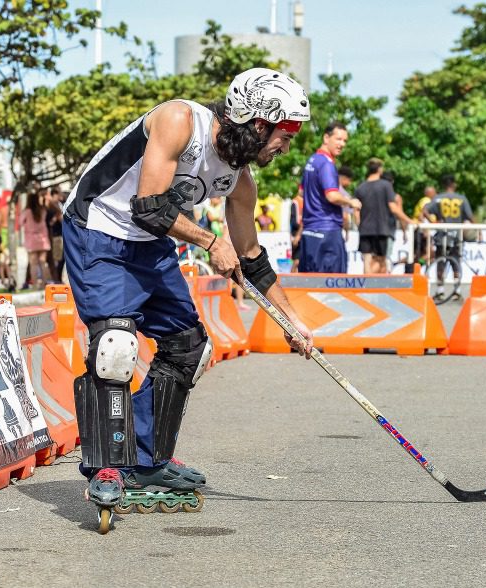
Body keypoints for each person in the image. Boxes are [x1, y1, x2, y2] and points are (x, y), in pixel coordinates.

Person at [61, 67, 314, 521]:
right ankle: (106, 465)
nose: (286, 146)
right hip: (97, 229)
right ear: (259, 123)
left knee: (189, 348)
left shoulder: (238, 178)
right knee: (115, 347)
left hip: (149, 242)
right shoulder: (180, 120)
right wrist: (210, 241)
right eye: (286, 134)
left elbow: (252, 257)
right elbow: (148, 206)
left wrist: (292, 321)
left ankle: (144, 456)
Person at [300, 122, 362, 273]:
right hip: (328, 232)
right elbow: (332, 196)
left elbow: (301, 192)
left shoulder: (312, 160)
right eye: (338, 139)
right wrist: (351, 201)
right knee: (333, 288)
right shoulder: (327, 164)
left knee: (309, 286)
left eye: (345, 141)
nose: (342, 144)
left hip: (309, 231)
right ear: (326, 138)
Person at [355, 159, 412, 274]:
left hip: (365, 229)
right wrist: (408, 220)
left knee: (367, 260)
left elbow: (356, 210)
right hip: (381, 228)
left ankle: (366, 286)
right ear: (380, 169)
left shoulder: (360, 187)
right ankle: (378, 286)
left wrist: (359, 225)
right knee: (381, 259)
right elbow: (393, 207)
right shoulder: (385, 185)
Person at [423, 174, 474, 300]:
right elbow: (470, 217)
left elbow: (424, 210)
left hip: (442, 233)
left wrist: (433, 222)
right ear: (453, 184)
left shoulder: (438, 198)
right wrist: (478, 229)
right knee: (455, 261)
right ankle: (457, 289)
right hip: (456, 234)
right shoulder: (461, 199)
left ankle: (440, 290)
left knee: (441, 261)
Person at [21, 190, 52, 289]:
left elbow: (20, 222)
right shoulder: (42, 210)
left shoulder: (27, 212)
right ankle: (44, 284)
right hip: (42, 239)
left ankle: (34, 285)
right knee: (43, 262)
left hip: (31, 239)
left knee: (33, 264)